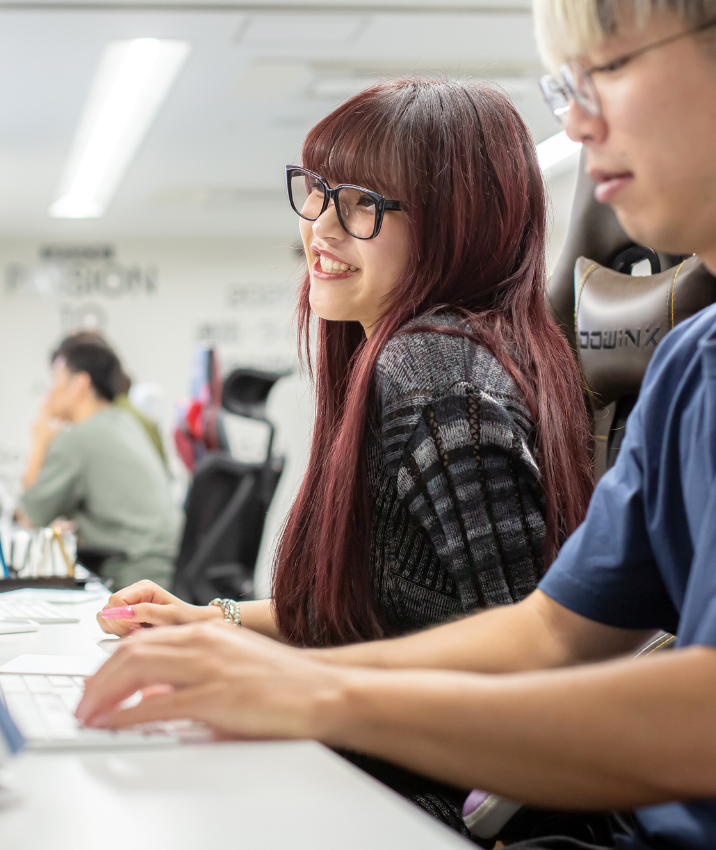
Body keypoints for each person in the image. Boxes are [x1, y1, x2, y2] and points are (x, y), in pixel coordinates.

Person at [74, 0, 716, 849]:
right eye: (564, 86)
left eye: (602, 73)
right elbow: (549, 634)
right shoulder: (700, 360)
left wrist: (315, 691)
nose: (574, 125)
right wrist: (247, 657)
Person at [96, 78, 595, 832]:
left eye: (363, 203)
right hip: (380, 776)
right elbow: (369, 621)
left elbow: (530, 666)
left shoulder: (435, 376)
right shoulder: (404, 361)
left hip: (429, 809)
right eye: (319, 191)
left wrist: (283, 684)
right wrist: (212, 620)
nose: (322, 228)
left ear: (455, 224)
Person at [20, 333, 180, 589]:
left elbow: (30, 515)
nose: (50, 392)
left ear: (81, 384)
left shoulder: (78, 438)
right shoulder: (125, 422)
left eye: (56, 379)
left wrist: (39, 439)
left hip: (133, 574)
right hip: (164, 566)